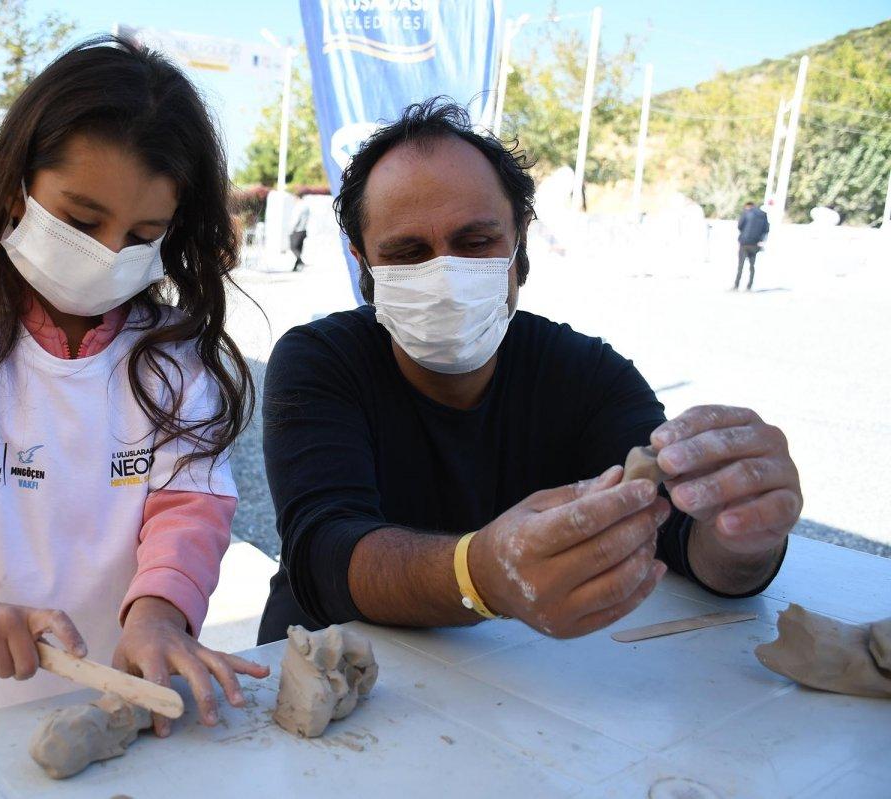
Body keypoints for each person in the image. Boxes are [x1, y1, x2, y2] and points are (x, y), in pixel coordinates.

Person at [0, 36, 268, 732]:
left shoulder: (174, 358)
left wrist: (161, 615)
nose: (106, 253)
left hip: (129, 694)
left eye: (140, 234)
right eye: (81, 219)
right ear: (16, 188)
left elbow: (191, 509)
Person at [258, 100, 801, 644]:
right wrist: (480, 573)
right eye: (408, 253)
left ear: (520, 244)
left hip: (518, 697)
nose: (446, 276)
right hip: (328, 681)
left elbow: (679, 533)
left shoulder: (589, 376)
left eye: (475, 243)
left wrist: (742, 533)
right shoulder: (320, 362)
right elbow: (322, 552)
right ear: (362, 264)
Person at [734, 200, 769, 291]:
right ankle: (749, 286)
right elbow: (766, 229)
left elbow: (740, 226)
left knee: (740, 265)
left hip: (744, 242)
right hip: (755, 243)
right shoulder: (763, 215)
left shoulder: (746, 213)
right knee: (752, 266)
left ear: (748, 206)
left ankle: (736, 285)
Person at [289, 202, 310, 271]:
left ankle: (300, 262)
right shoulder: (307, 208)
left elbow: (296, 219)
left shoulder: (299, 208)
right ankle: (296, 267)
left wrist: (291, 229)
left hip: (297, 231)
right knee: (298, 249)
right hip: (304, 231)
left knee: (293, 247)